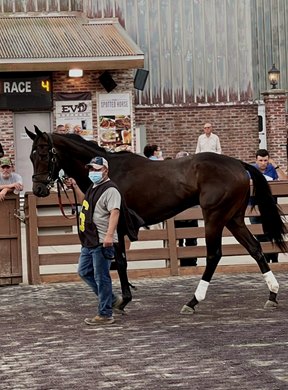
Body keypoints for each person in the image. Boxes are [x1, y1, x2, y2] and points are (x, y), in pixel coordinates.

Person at [65, 156, 124, 326]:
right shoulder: (94, 187)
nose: (93, 172)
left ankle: (105, 313)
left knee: (101, 277)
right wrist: (75, 186)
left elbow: (115, 212)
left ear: (105, 170)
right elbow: (86, 202)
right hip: (90, 239)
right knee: (84, 271)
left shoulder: (111, 190)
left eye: (97, 169)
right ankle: (111, 299)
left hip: (100, 239)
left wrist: (108, 235)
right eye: (91, 169)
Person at [250, 149, 286, 263]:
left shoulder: (271, 169)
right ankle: (265, 258)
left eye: (265, 160)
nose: (263, 163)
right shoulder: (251, 170)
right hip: (255, 207)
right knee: (260, 235)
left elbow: (285, 180)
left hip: (270, 207)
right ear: (256, 160)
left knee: (272, 233)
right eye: (260, 160)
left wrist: (275, 165)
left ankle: (273, 258)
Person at [175, 151, 198, 266]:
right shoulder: (174, 178)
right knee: (179, 239)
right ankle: (182, 261)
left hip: (191, 213)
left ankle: (191, 261)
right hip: (178, 214)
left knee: (191, 239)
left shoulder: (194, 177)